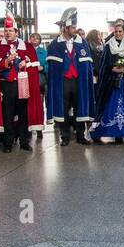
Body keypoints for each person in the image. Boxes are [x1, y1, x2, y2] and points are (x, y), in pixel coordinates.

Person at [0, 16, 41, 152]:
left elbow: (35, 65)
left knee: (23, 113)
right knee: (8, 113)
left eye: (10, 30)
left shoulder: (26, 46)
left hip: (22, 83)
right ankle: (8, 143)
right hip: (7, 85)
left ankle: (24, 141)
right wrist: (6, 61)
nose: (8, 33)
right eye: (6, 30)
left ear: (16, 32)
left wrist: (26, 64)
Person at [44, 7, 96, 146]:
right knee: (63, 109)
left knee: (80, 108)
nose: (75, 29)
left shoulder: (82, 43)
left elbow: (87, 66)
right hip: (63, 83)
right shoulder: (55, 45)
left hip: (78, 81)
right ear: (66, 28)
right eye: (72, 27)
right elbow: (52, 69)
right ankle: (65, 136)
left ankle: (80, 136)